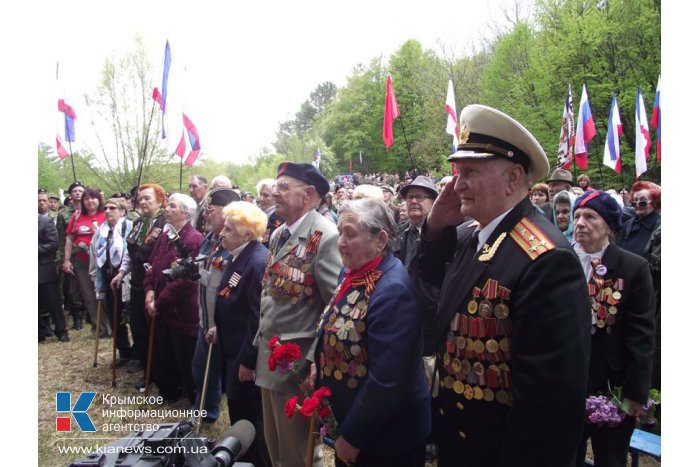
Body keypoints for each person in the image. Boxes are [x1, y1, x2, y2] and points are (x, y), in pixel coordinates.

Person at [417, 104, 590, 467]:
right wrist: (434, 226)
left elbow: (549, 407)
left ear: (513, 178)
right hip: (461, 444)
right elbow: (431, 284)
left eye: (469, 172)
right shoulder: (472, 237)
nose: (455, 184)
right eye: (457, 172)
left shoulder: (545, 259)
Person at [310, 197, 431, 467]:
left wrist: (353, 435)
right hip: (358, 420)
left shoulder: (392, 290)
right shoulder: (351, 272)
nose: (340, 241)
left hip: (386, 437)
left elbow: (387, 380)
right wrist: (320, 365)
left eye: (350, 234)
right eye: (339, 231)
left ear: (381, 239)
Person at [255, 162, 343, 467]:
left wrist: (315, 362)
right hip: (271, 355)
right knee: (276, 447)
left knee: (299, 455)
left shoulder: (325, 236)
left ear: (308, 194)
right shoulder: (280, 233)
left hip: (297, 366)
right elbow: (271, 291)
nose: (274, 193)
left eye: (283, 187)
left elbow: (334, 307)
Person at [571, 190, 656, 467]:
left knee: (610, 458)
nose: (580, 222)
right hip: (567, 380)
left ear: (608, 224)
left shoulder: (632, 267)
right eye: (577, 216)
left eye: (590, 216)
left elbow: (641, 335)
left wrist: (634, 393)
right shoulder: (560, 260)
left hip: (610, 383)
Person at [209, 200, 271, 467]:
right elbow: (229, 297)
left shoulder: (256, 262)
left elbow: (258, 318)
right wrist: (216, 327)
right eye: (224, 228)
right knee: (238, 413)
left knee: (248, 419)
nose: (222, 233)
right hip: (231, 348)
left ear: (247, 234)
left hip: (245, 360)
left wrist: (248, 360)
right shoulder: (237, 256)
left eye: (229, 230)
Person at [144, 193, 204, 403]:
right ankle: (169, 389)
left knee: (184, 354)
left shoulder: (194, 239)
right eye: (167, 205)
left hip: (181, 311)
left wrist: (159, 302)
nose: (166, 209)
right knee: (164, 350)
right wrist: (149, 290)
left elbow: (187, 281)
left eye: (172, 206)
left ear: (185, 212)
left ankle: (192, 396)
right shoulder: (164, 235)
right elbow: (152, 264)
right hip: (160, 307)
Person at [192, 187, 240, 423]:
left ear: (227, 213)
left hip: (222, 321)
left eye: (210, 210)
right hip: (205, 318)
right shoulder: (209, 239)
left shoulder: (235, 244)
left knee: (217, 371)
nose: (205, 215)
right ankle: (205, 411)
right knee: (201, 369)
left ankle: (210, 413)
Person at [125, 183, 168, 380]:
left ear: (160, 200)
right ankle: (144, 365)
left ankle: (155, 370)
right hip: (137, 282)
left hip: (154, 284)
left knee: (154, 330)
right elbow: (133, 248)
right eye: (140, 198)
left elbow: (147, 251)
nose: (142, 202)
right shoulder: (139, 222)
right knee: (138, 327)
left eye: (147, 198)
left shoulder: (163, 222)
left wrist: (140, 254)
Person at [89, 198, 133, 365]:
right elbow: (94, 257)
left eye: (112, 208)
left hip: (128, 279)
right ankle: (124, 351)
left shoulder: (130, 228)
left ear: (122, 211)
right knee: (115, 318)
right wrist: (97, 282)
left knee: (132, 318)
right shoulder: (100, 232)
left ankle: (137, 355)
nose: (107, 211)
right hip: (108, 279)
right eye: (105, 208)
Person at [62, 187, 110, 336]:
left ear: (99, 199)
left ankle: (111, 326)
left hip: (103, 262)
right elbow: (69, 239)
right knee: (89, 295)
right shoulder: (77, 216)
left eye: (93, 198)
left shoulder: (106, 214)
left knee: (105, 294)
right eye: (86, 199)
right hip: (83, 262)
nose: (90, 201)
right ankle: (98, 327)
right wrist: (67, 260)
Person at [57, 181, 86, 330]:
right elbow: (62, 239)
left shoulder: (92, 211)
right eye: (74, 191)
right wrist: (64, 260)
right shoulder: (63, 214)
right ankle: (76, 317)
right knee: (73, 287)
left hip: (88, 255)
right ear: (70, 194)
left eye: (81, 190)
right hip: (72, 254)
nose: (78, 193)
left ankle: (89, 314)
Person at [39, 210, 69, 343]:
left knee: (53, 302)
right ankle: (40, 331)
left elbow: (53, 245)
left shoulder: (45, 221)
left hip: (44, 267)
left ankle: (61, 331)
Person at [618, 181, 661, 257]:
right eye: (634, 202)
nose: (637, 204)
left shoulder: (659, 228)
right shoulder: (627, 225)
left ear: (654, 203)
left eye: (643, 202)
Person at [257, 178, 284, 248]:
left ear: (276, 197)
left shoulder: (281, 219)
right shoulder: (257, 216)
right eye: (260, 194)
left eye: (266, 195)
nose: (261, 199)